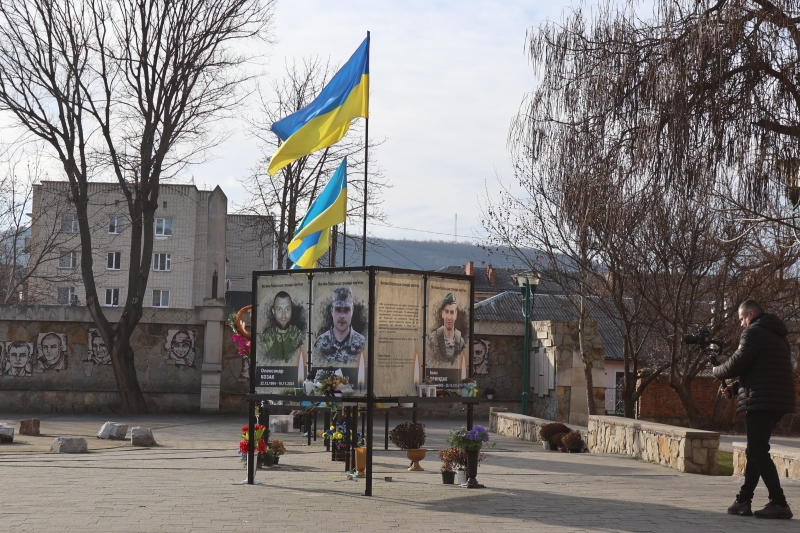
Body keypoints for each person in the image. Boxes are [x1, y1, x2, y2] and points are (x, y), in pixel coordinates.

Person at [714, 300, 796, 520]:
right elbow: (764, 372)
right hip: (775, 400)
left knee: (758, 452)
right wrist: (735, 387)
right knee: (755, 451)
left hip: (762, 401)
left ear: (750, 314)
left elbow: (737, 363)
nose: (741, 324)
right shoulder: (778, 336)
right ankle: (743, 500)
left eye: (741, 319)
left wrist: (717, 371)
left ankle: (779, 503)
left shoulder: (754, 333)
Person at [314, 287, 365, 364]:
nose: (342, 316)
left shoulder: (362, 343)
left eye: (347, 310)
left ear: (352, 311)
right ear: (332, 311)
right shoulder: (320, 343)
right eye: (338, 310)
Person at [259, 291, 305, 362]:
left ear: (291, 311)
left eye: (287, 309)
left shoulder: (299, 336)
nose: (283, 315)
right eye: (279, 309)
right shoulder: (266, 338)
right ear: (273, 311)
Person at [427, 293, 466, 364]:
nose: (449, 317)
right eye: (446, 312)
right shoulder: (433, 338)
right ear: (442, 313)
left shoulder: (460, 342)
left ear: (456, 315)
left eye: (452, 312)